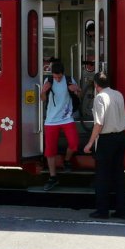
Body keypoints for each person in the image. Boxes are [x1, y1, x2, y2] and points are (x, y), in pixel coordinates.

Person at [83, 72, 125, 219]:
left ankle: (102, 211)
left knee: (102, 177)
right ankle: (122, 211)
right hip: (121, 137)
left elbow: (99, 123)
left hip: (106, 140)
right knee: (118, 175)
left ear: (96, 85)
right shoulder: (118, 94)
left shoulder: (100, 98)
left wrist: (89, 143)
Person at [40, 60, 81, 190]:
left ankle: (67, 160)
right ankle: (53, 177)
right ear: (52, 74)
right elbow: (42, 100)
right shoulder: (48, 81)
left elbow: (78, 95)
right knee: (50, 151)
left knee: (74, 144)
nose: (57, 79)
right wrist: (43, 91)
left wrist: (77, 89)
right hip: (51, 120)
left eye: (59, 77)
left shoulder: (69, 79)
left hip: (66, 118)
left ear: (63, 74)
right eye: (55, 76)